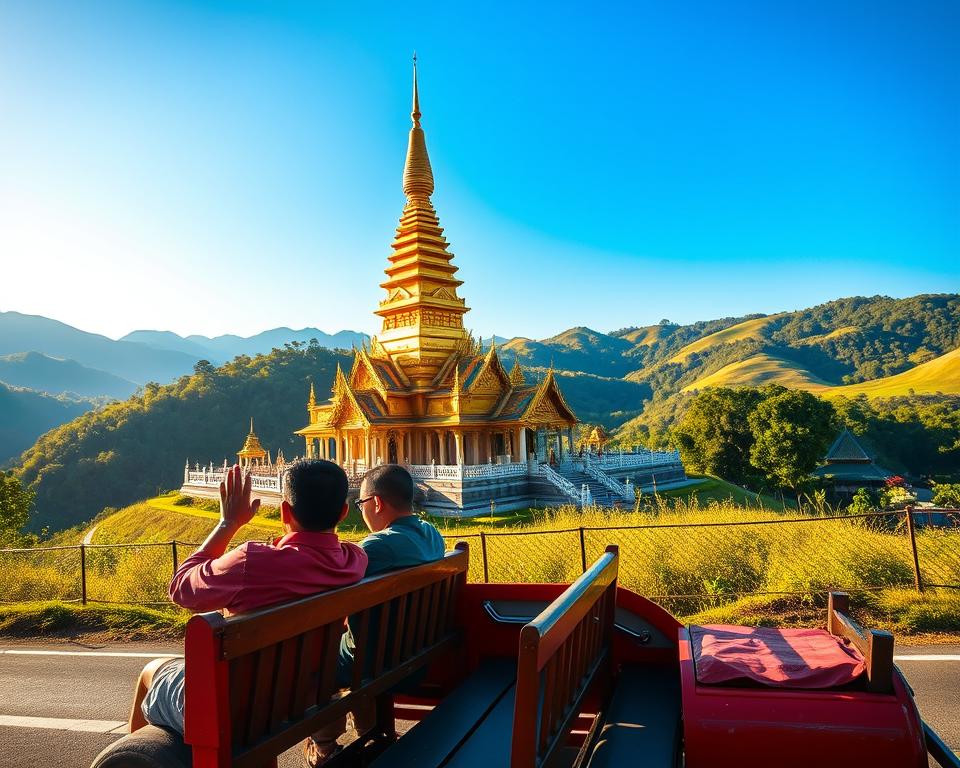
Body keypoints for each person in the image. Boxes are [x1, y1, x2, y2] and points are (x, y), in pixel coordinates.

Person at [135, 461, 367, 735]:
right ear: (343, 512)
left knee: (151, 671)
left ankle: (131, 754)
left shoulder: (253, 562)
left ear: (284, 512)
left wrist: (228, 523)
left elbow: (181, 588)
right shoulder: (355, 560)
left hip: (240, 706)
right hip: (302, 695)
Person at [304, 463, 446, 766]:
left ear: (377, 502)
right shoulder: (433, 535)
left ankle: (324, 747)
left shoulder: (378, 546)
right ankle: (369, 732)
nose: (362, 510)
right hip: (417, 655)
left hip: (376, 662)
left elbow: (327, 584)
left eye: (361, 503)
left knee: (311, 663)